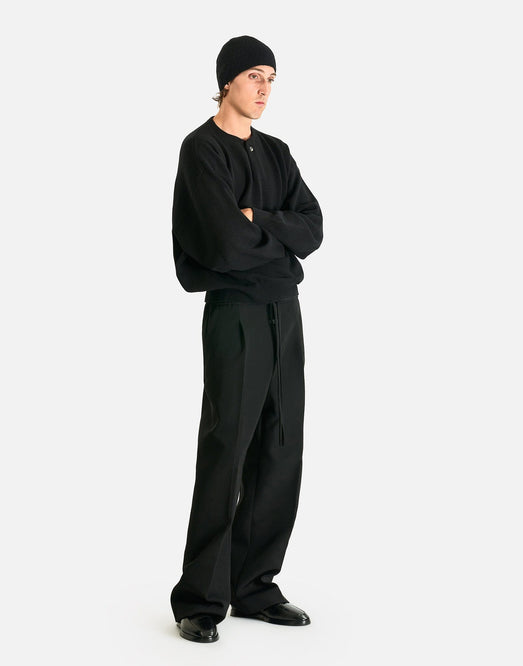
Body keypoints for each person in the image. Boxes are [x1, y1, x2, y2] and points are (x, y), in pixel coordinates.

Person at [169, 35, 323, 643]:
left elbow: (313, 227)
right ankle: (201, 599)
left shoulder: (277, 153)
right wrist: (275, 243)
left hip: (285, 311)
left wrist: (259, 219)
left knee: (281, 446)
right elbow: (222, 244)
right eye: (255, 75)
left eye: (271, 78)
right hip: (234, 313)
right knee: (227, 446)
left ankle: (255, 586)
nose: (264, 88)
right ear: (227, 81)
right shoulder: (201, 150)